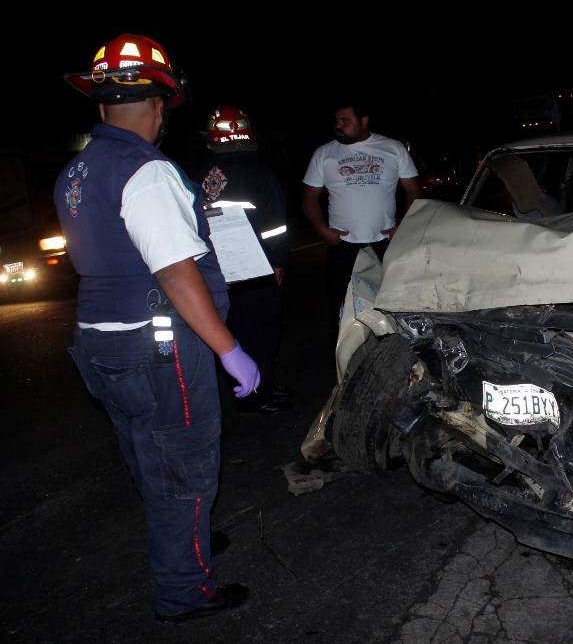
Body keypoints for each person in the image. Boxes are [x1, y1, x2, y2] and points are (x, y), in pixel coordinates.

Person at [55, 33, 255, 624]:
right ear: (160, 105)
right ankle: (184, 591)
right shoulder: (146, 170)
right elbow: (174, 271)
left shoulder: (78, 169)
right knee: (183, 463)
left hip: (100, 339)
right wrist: (230, 349)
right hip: (158, 344)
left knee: (146, 453)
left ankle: (182, 540)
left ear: (100, 106)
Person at [196, 105, 293, 414]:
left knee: (233, 328)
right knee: (262, 329)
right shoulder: (259, 171)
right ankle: (259, 394)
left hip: (214, 269)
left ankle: (255, 382)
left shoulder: (198, 174)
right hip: (257, 268)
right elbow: (274, 223)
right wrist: (278, 261)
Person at [301, 100, 421, 341]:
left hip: (385, 243)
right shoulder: (324, 153)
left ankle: (397, 354)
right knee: (341, 306)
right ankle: (345, 365)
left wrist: (404, 227)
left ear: (364, 120)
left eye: (346, 120)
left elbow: (413, 191)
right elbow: (309, 197)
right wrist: (322, 229)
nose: (339, 126)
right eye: (336, 121)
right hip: (342, 246)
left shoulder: (392, 148)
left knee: (391, 302)